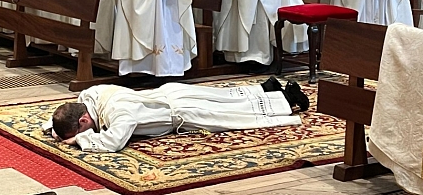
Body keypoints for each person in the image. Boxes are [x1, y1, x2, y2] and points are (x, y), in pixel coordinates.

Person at [49, 77, 309, 152]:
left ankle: (287, 100)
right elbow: (70, 109)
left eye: (84, 129)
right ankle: (266, 88)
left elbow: (114, 141)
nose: (87, 132)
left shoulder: (119, 111)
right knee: (224, 96)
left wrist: (80, 140)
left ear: (84, 120)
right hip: (171, 93)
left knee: (233, 114)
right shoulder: (91, 95)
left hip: (181, 111)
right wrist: (56, 126)